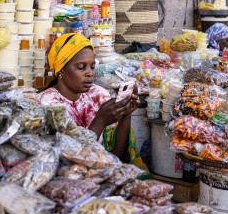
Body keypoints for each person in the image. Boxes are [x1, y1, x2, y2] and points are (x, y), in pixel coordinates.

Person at [38, 33, 148, 174]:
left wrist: (126, 116)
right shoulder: (47, 104)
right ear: (61, 71)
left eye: (92, 66)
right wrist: (100, 122)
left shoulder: (98, 94)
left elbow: (115, 157)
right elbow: (67, 163)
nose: (90, 73)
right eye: (81, 67)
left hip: (100, 174)